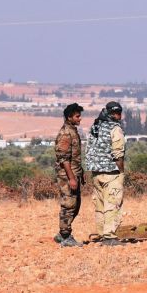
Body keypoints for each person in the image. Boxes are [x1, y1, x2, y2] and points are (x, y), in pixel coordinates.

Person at [83, 101, 126, 246]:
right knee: (112, 203)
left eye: (119, 112)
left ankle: (102, 234)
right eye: (116, 113)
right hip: (111, 172)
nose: (119, 116)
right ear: (110, 113)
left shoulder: (95, 126)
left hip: (95, 172)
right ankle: (109, 237)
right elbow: (118, 153)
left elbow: (88, 149)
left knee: (100, 205)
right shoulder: (115, 129)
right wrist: (121, 171)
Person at [53, 102, 84, 248]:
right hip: (66, 176)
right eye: (77, 116)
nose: (80, 119)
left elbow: (75, 157)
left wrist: (80, 173)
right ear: (69, 117)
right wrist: (71, 178)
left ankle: (62, 235)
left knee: (76, 204)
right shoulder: (65, 133)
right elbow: (64, 159)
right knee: (69, 205)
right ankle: (65, 236)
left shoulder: (73, 130)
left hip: (74, 174)